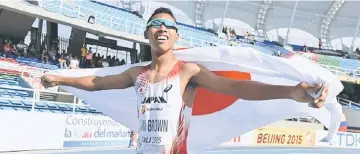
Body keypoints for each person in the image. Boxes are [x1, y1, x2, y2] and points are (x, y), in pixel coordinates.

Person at [41, 7, 328, 154]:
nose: (161, 28)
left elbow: (236, 87)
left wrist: (291, 91)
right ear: (147, 34)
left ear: (177, 36)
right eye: (155, 24)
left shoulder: (187, 71)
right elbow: (96, 83)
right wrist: (59, 78)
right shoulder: (136, 75)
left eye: (169, 26)